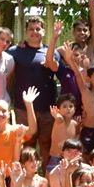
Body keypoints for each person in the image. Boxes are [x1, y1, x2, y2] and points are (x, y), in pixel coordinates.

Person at [8, 16, 59, 166]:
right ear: (26, 31)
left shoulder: (51, 52)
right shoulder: (15, 52)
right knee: (27, 144)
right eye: (31, 29)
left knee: (46, 143)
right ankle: (25, 179)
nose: (34, 32)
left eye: (38, 29)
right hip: (23, 108)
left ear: (43, 31)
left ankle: (45, 177)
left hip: (46, 108)